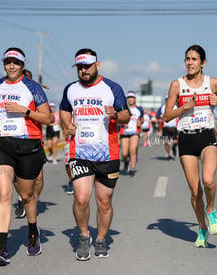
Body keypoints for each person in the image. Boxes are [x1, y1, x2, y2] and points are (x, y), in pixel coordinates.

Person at [59, 48, 130, 260]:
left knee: (104, 201)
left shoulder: (112, 88)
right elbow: (64, 109)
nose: (83, 70)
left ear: (97, 65)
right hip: (80, 152)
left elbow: (126, 115)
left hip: (108, 154)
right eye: (79, 67)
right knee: (81, 198)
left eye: (87, 66)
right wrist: (66, 123)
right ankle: (83, 235)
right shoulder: (71, 89)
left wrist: (116, 115)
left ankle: (100, 238)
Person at [0, 47, 52, 265]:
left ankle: (33, 231)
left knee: (27, 196)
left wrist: (26, 111)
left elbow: (48, 119)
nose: (11, 66)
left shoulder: (32, 87)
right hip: (3, 144)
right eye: (7, 62)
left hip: (28, 146)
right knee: (4, 194)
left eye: (15, 62)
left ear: (22, 66)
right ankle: (2, 248)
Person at [163, 45, 217, 248]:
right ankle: (202, 227)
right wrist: (183, 107)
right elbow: (166, 116)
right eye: (187, 59)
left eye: (194, 59)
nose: (189, 63)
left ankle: (210, 210)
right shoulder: (177, 85)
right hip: (186, 139)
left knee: (208, 181)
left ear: (203, 62)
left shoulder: (214, 83)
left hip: (206, 136)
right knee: (194, 191)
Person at [13, 69, 52, 219]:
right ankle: (23, 198)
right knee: (15, 176)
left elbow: (49, 118)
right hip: (13, 140)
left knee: (39, 177)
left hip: (34, 139)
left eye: (28, 78)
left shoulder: (37, 93)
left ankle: (31, 200)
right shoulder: (10, 92)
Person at [119, 91, 143, 177]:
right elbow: (117, 119)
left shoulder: (139, 109)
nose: (130, 99)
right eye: (128, 98)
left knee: (133, 150)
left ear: (135, 99)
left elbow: (141, 119)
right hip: (124, 132)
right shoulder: (122, 108)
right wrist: (122, 122)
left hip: (135, 132)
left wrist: (140, 122)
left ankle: (132, 168)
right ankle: (126, 162)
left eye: (132, 98)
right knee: (124, 153)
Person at [156, 96, 178, 160]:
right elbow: (157, 115)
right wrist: (161, 117)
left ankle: (173, 148)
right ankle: (169, 155)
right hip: (166, 127)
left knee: (175, 142)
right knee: (166, 142)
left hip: (174, 127)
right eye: (167, 99)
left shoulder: (176, 107)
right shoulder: (162, 107)